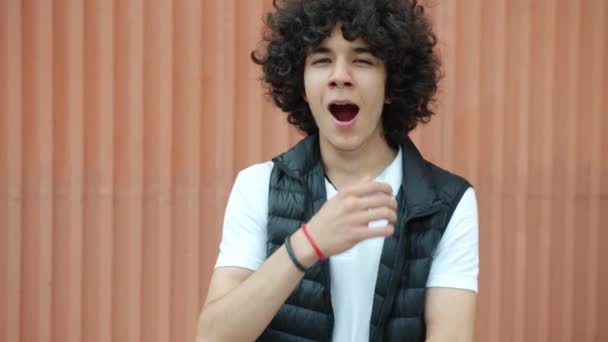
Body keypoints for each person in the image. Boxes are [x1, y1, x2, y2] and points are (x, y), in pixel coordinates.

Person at [196, 0, 478, 341]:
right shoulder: (257, 187)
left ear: (392, 84)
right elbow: (212, 336)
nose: (340, 76)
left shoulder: (448, 203)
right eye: (321, 60)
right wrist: (307, 244)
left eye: (362, 60)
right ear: (301, 81)